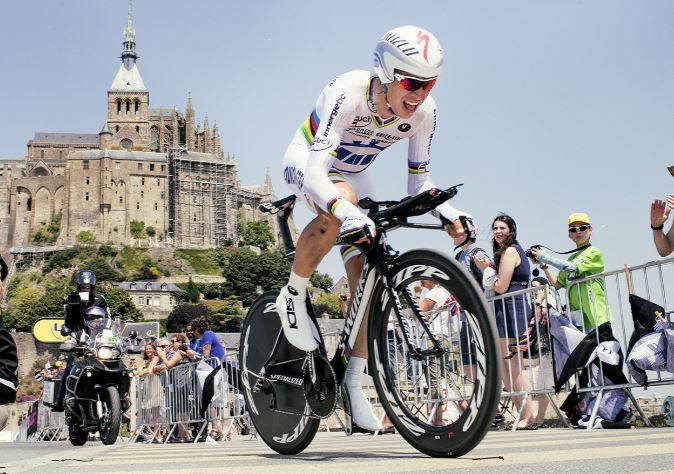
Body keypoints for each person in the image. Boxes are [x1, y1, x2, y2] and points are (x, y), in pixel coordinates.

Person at [275, 25, 470, 432]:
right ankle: (292, 293)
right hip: (310, 162)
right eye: (411, 83)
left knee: (369, 275)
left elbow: (420, 184)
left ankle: (352, 379)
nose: (419, 94)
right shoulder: (347, 92)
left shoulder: (424, 113)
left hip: (357, 176)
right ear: (385, 74)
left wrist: (448, 213)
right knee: (338, 202)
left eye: (429, 84)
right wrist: (344, 209)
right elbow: (316, 171)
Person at [473, 214, 535, 429]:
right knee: (507, 366)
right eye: (495, 228)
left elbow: (500, 286)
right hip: (507, 308)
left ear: (511, 230)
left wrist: (486, 270)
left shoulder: (510, 251)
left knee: (513, 365)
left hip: (511, 309)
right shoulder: (509, 251)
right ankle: (523, 414)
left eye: (502, 228)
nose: (498, 231)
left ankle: (528, 415)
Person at [530, 212, 610, 332]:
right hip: (579, 322)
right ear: (569, 235)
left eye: (582, 228)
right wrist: (543, 264)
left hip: (597, 319)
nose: (578, 231)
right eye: (573, 229)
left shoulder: (594, 252)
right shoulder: (571, 259)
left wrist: (545, 257)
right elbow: (556, 284)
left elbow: (571, 267)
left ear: (590, 230)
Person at [60, 270, 110, 351]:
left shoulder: (99, 298)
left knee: (109, 350)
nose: (86, 289)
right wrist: (70, 303)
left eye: (88, 287)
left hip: (97, 332)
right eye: (83, 287)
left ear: (92, 287)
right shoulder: (72, 297)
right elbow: (67, 316)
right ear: (79, 286)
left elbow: (107, 316)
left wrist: (106, 330)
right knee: (69, 349)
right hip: (77, 332)